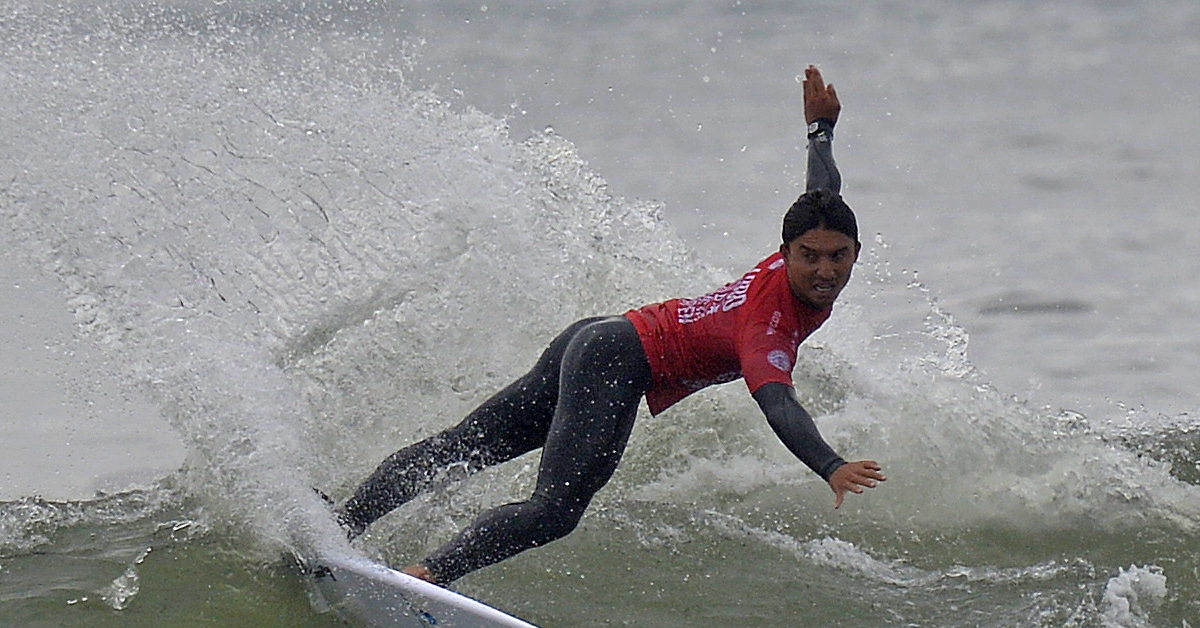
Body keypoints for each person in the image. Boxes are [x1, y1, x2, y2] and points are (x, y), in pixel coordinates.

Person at [335, 65, 884, 586]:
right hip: (618, 360)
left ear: (856, 252)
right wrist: (830, 464)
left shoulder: (816, 228)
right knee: (554, 510)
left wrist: (821, 130)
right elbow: (779, 403)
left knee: (466, 448)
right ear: (786, 252)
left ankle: (342, 521)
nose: (824, 270)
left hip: (601, 337)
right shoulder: (767, 326)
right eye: (809, 256)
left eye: (838, 256)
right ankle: (427, 576)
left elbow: (823, 192)